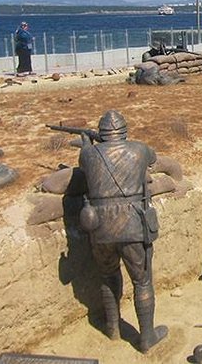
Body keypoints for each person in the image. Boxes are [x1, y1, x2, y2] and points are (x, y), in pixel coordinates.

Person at [77, 110, 167, 353]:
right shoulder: (139, 148)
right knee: (142, 280)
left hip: (100, 228)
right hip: (133, 225)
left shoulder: (88, 154)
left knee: (107, 276)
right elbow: (152, 158)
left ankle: (113, 328)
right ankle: (146, 337)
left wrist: (87, 143)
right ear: (124, 131)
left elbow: (84, 161)